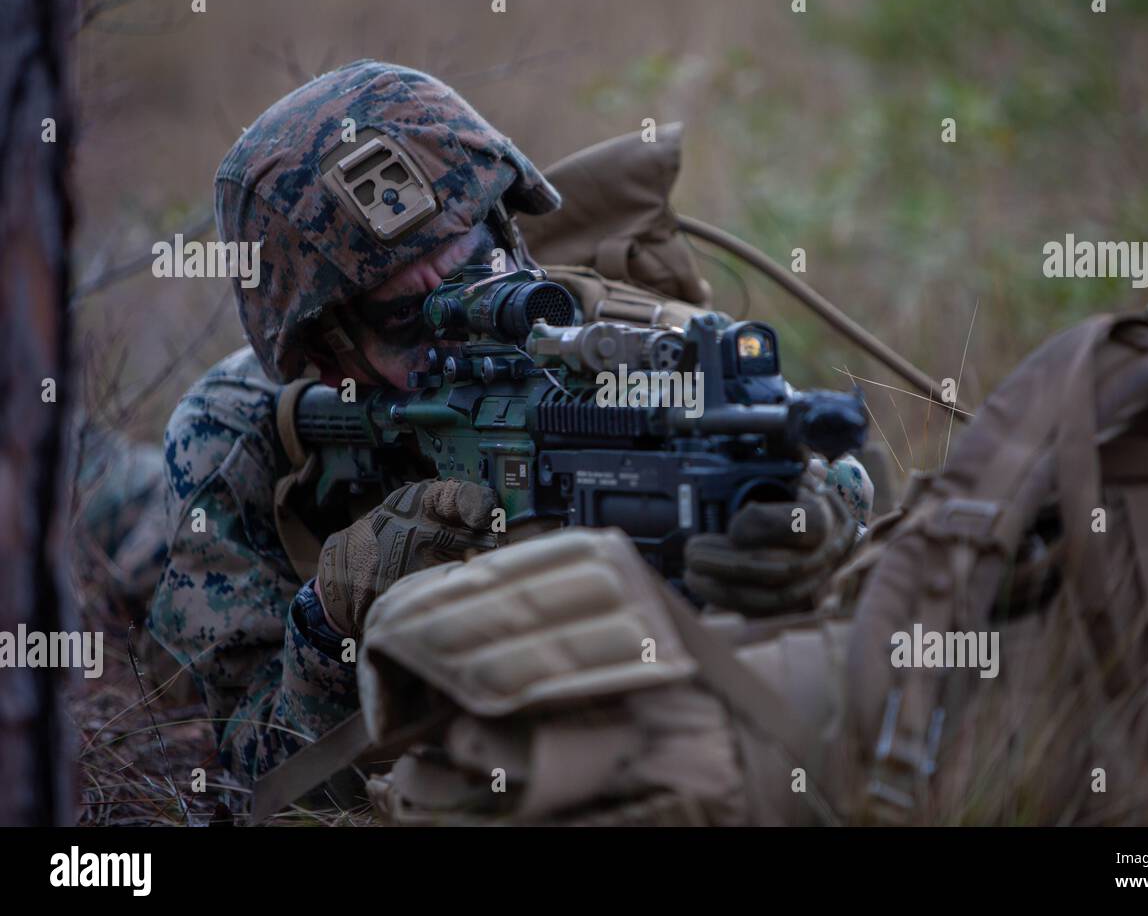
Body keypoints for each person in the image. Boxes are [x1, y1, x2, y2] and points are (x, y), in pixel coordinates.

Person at [148, 60, 867, 783]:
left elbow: (812, 480)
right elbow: (252, 780)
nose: (462, 329)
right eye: (407, 316)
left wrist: (814, 522)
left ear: (511, 237)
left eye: (479, 268)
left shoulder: (638, 351)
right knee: (116, 502)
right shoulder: (230, 439)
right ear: (330, 358)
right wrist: (330, 617)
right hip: (166, 531)